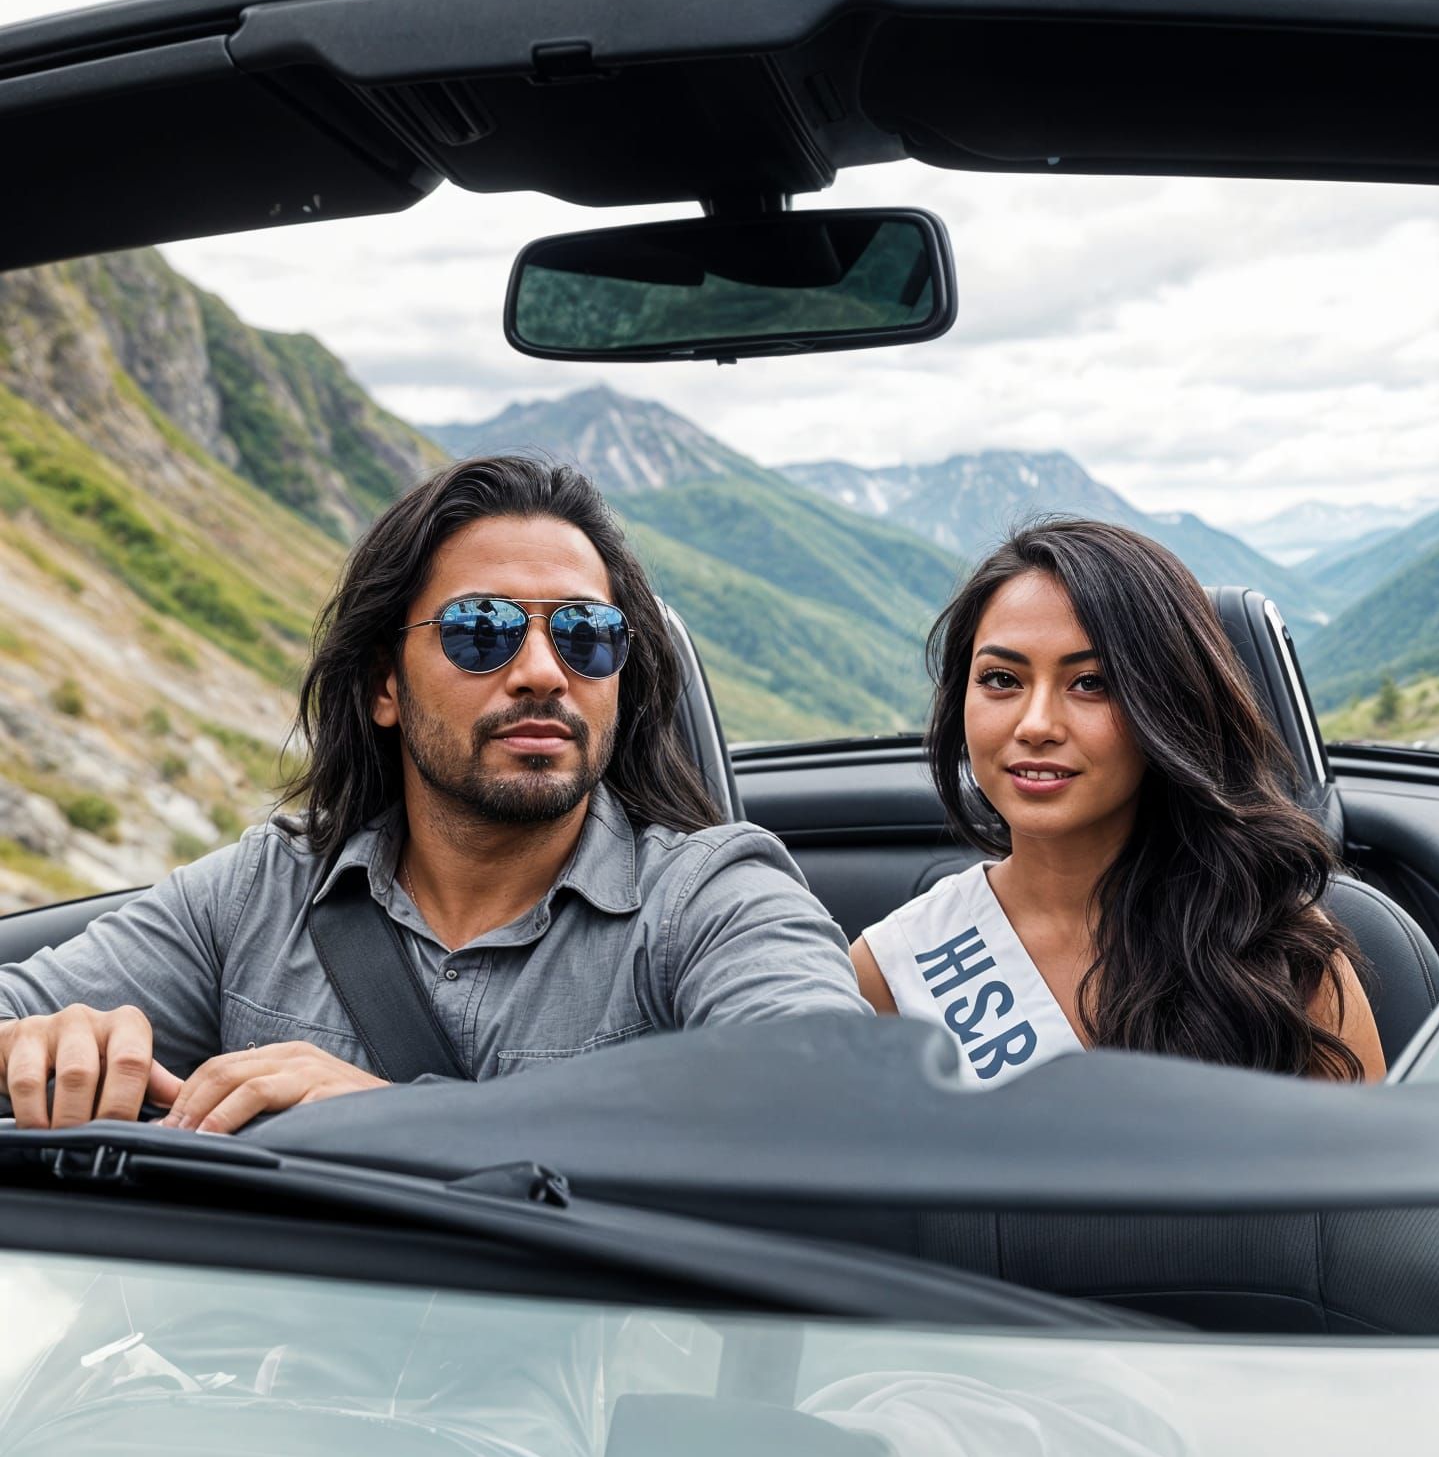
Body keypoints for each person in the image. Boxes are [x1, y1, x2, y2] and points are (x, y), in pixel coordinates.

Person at [0, 457, 869, 1131]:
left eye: (585, 635)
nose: (540, 672)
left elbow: (835, 1109)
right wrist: (45, 1045)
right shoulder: (261, 894)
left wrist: (396, 1120)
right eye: (480, 630)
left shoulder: (711, 898)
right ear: (384, 685)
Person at [851, 518, 1386, 1086]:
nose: (1036, 725)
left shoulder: (1274, 949)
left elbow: (1370, 1167)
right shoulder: (894, 967)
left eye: (1091, 683)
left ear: (1166, 707)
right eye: (1002, 679)